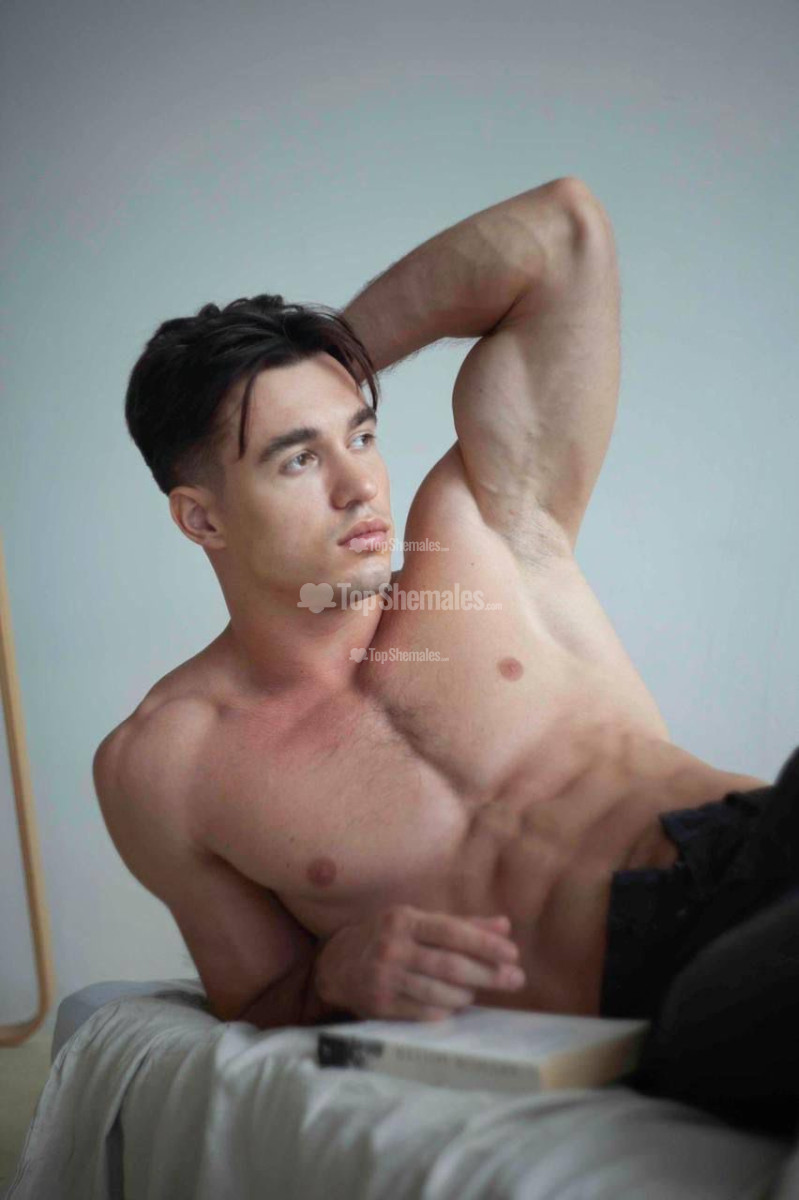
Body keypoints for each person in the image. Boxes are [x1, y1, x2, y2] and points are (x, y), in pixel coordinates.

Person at [93, 176, 796, 1130]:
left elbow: (561, 233)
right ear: (201, 518)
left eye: (362, 432)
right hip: (675, 993)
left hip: (762, 848)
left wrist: (329, 358)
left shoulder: (486, 529)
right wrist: (331, 977)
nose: (359, 485)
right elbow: (258, 1000)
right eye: (299, 457)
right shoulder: (166, 766)